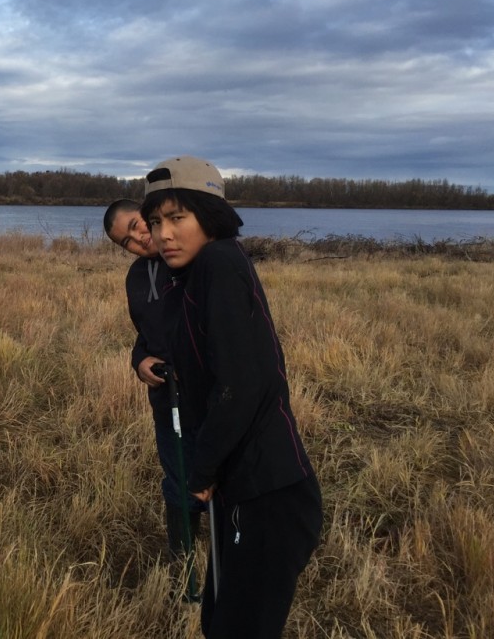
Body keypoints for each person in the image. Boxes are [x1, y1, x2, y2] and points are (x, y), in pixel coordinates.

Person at [139, 157, 322, 638]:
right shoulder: (190, 277)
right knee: (220, 621)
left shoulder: (219, 263)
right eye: (156, 222)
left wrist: (201, 471)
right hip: (240, 489)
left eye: (178, 218)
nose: (163, 234)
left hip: (267, 493)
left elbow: (242, 383)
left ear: (209, 215)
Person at [103, 199, 204, 566]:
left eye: (136, 225)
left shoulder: (195, 260)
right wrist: (139, 360)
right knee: (179, 480)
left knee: (223, 479)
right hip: (167, 400)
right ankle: (183, 561)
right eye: (125, 241)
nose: (139, 239)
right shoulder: (134, 278)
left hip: (209, 398)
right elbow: (145, 335)